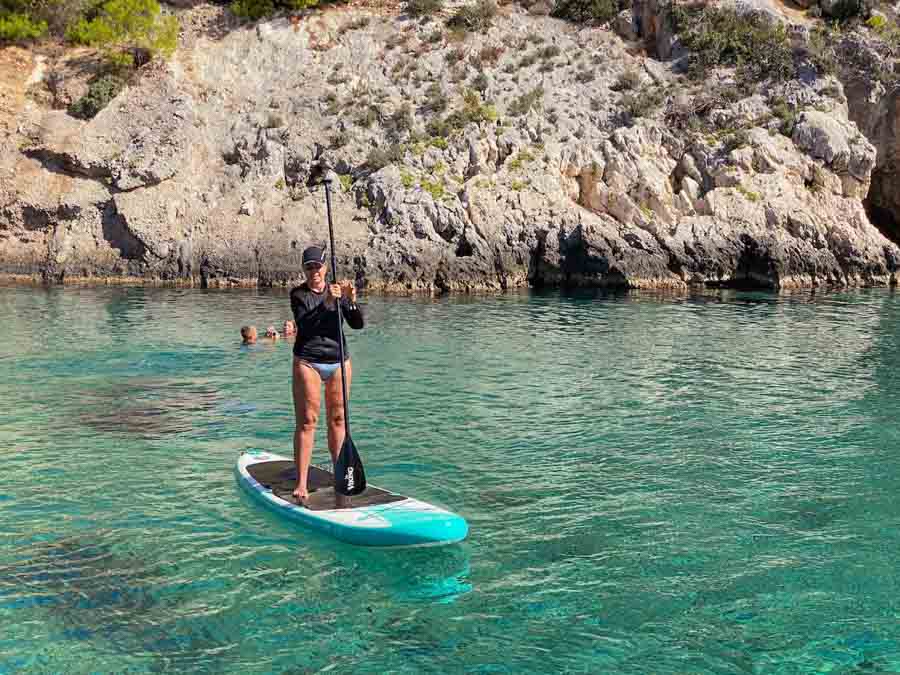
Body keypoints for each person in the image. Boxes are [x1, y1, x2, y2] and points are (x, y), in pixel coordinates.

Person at [289, 245, 364, 505]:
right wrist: (329, 302)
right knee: (308, 420)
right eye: (309, 267)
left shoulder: (337, 291)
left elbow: (357, 324)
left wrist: (350, 302)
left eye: (318, 266)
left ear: (325, 267)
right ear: (304, 270)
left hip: (338, 362)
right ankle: (301, 483)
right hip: (308, 361)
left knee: (338, 419)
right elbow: (307, 325)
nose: (314, 272)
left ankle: (340, 476)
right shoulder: (298, 294)